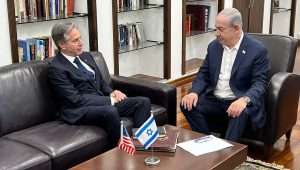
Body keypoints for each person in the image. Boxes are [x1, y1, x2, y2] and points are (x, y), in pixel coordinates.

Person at [48, 22, 150, 146]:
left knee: (143, 102)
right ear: (62, 45)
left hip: (102, 101)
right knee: (110, 111)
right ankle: (121, 152)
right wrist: (110, 100)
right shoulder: (56, 68)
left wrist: (112, 92)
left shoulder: (86, 56)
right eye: (75, 40)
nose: (81, 43)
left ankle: (141, 144)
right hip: (78, 110)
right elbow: (75, 99)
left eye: (80, 38)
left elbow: (101, 82)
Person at [180, 8, 270, 141]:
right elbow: (203, 74)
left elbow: (260, 83)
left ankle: (228, 153)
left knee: (240, 112)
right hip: (215, 100)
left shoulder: (257, 50)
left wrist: (244, 100)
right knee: (186, 104)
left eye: (221, 29)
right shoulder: (214, 46)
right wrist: (194, 92)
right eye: (216, 28)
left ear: (236, 28)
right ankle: (207, 142)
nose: (216, 33)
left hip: (238, 100)